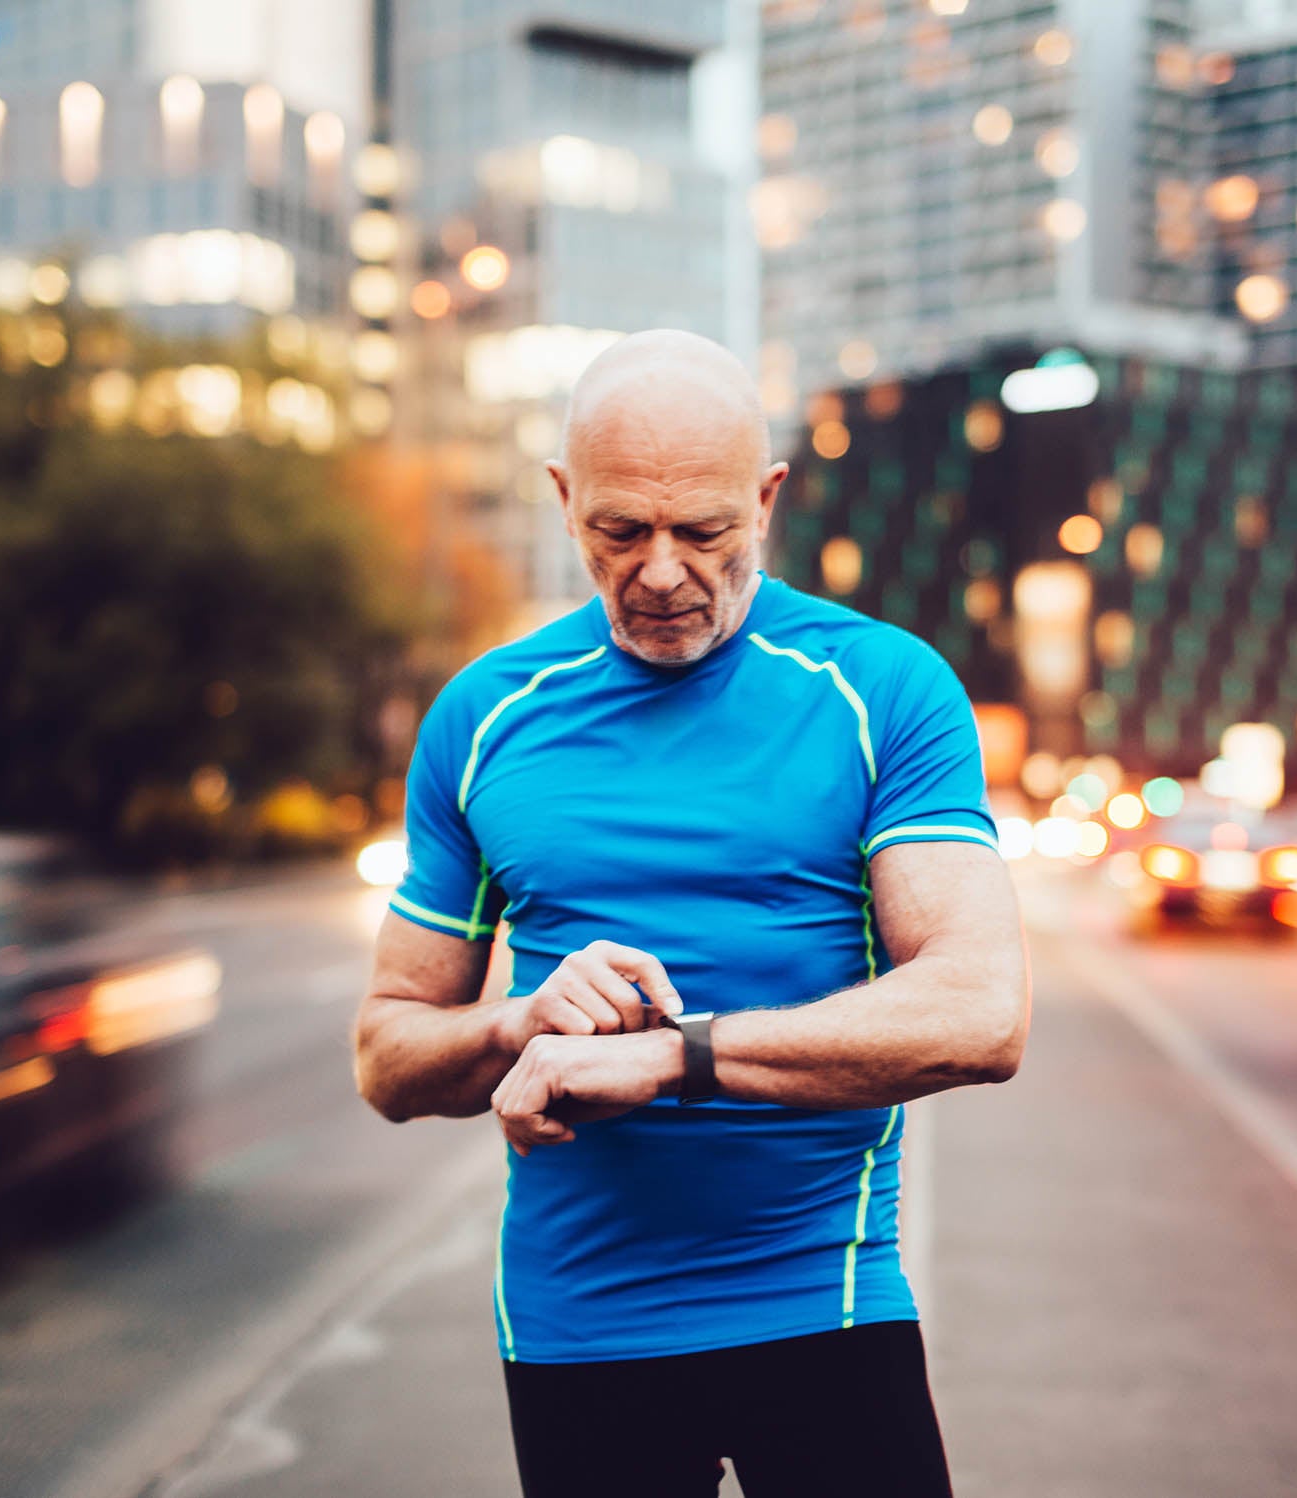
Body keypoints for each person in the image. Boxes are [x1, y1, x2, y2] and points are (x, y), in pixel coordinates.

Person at [352, 330, 1029, 1498]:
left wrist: (676, 1059)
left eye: (704, 531)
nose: (663, 572)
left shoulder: (883, 689)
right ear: (566, 502)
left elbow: (979, 1012)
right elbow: (386, 1053)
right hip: (577, 1331)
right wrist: (514, 1027)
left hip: (827, 1303)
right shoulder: (483, 719)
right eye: (621, 531)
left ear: (766, 501)